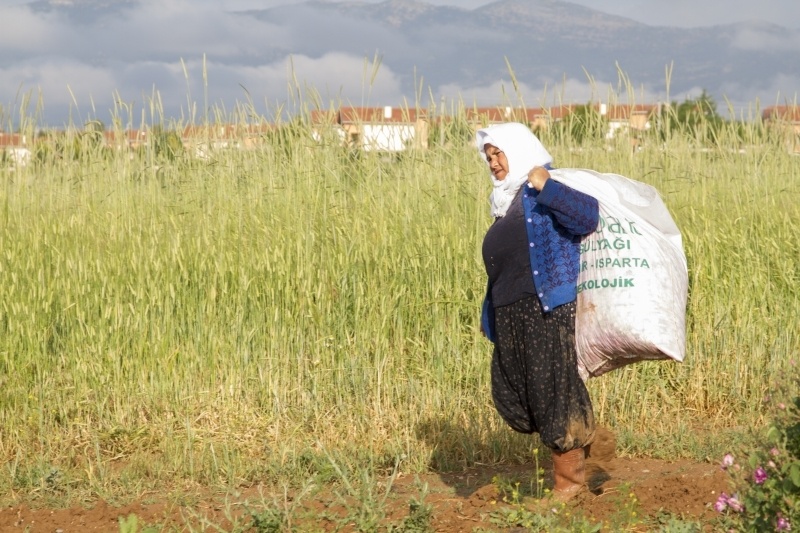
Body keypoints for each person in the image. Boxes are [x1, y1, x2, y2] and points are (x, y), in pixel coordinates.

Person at [477, 122, 600, 500]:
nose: (493, 162)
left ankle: (571, 483)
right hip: (512, 312)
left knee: (552, 390)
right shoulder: (505, 200)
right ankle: (586, 440)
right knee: (514, 392)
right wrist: (491, 315)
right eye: (488, 156)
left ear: (519, 148)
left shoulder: (539, 188)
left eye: (498, 153)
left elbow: (587, 217)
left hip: (546, 305)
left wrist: (548, 186)